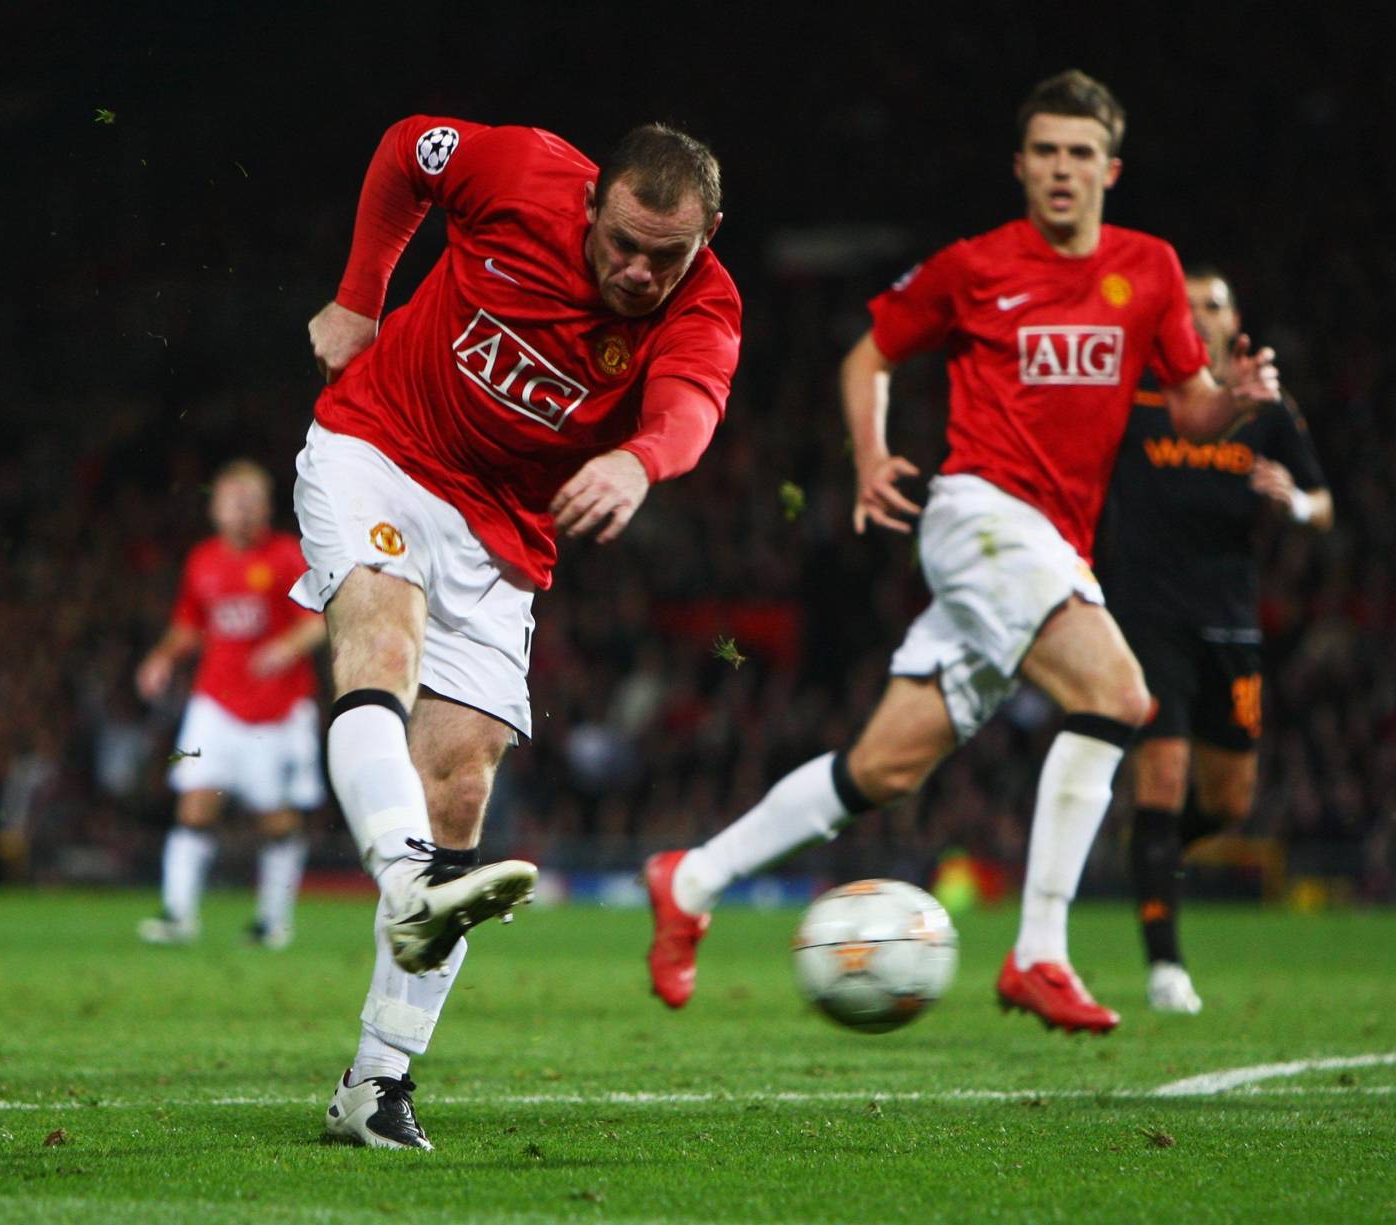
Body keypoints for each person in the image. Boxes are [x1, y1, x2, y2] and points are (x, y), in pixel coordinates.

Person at [644, 69, 1279, 1034]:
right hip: (981, 514)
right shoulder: (976, 267)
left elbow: (1187, 400)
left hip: (1053, 543)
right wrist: (869, 458)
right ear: (1020, 165)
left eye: (1081, 154)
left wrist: (1232, 400)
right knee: (1117, 694)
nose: (1063, 170)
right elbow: (870, 355)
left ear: (1110, 168)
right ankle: (1040, 953)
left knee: (884, 768)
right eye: (1046, 152)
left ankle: (689, 878)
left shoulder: (1148, 268)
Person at [295, 115, 741, 1148]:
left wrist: (641, 462)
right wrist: (362, 296)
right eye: (620, 242)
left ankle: (375, 1081)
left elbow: (690, 407)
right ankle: (409, 880)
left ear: (707, 237)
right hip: (378, 446)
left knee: (458, 780)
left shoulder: (707, 309)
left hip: (500, 533)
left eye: (662, 255)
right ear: (590, 203)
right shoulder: (521, 169)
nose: (635, 270)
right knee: (382, 640)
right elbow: (408, 147)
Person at [1101, 267, 1332, 1014]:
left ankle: (1150, 847)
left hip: (1231, 623)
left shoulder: (1265, 411)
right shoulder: (1136, 398)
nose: (1199, 316)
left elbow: (1324, 503)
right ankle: (1166, 965)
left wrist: (1294, 502)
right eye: (1187, 305)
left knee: (1228, 800)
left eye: (1214, 305)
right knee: (1163, 778)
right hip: (1148, 620)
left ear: (1236, 324)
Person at [136, 459, 327, 949]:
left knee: (277, 816)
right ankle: (177, 913)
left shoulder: (286, 556)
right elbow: (189, 623)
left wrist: (285, 648)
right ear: (216, 508)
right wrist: (161, 658)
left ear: (266, 507)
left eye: (250, 501)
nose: (241, 511)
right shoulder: (202, 561)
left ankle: (272, 920)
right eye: (231, 501)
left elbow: (320, 620)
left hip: (279, 711)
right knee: (193, 795)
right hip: (213, 707)